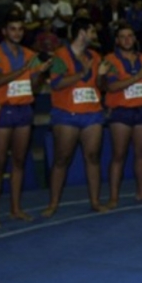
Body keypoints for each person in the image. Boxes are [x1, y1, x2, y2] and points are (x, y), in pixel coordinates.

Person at [0, 11, 52, 228]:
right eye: (12, 28)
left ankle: (16, 209)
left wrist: (41, 73)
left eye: (20, 29)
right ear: (4, 31)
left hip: (24, 110)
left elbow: (33, 87)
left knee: (20, 161)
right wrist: (23, 69)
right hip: (3, 110)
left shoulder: (29, 54)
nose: (17, 33)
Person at [42, 17, 110, 217]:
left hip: (92, 113)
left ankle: (95, 202)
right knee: (61, 159)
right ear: (82, 33)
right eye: (92, 32)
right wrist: (83, 73)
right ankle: (53, 203)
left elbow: (101, 86)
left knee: (93, 157)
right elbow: (56, 84)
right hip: (66, 115)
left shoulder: (95, 56)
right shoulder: (60, 56)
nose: (95, 36)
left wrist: (101, 76)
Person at [102, 23, 142, 207]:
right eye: (123, 36)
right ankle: (114, 197)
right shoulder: (110, 60)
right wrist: (138, 76)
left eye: (130, 36)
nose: (127, 40)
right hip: (121, 111)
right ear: (117, 40)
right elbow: (111, 86)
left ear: (135, 38)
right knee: (119, 155)